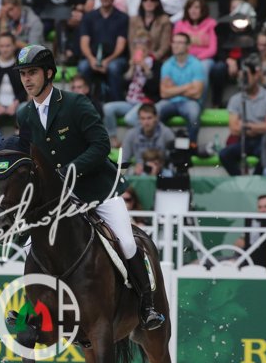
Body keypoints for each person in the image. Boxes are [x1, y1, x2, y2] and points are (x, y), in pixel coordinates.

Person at [14, 44, 164, 329]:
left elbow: (101, 145)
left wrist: (70, 170)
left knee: (127, 242)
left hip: (97, 191)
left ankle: (147, 306)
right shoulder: (24, 115)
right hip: (58, 200)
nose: (27, 79)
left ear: (48, 73)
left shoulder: (76, 104)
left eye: (32, 72)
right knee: (32, 247)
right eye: (23, 74)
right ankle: (30, 310)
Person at [219, 61, 266, 176]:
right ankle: (241, 180)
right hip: (243, 140)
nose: (243, 80)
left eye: (246, 75)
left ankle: (254, 180)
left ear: (256, 75)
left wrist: (247, 126)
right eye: (240, 76)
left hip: (263, 140)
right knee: (224, 155)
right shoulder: (236, 99)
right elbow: (234, 129)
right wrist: (259, 127)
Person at [101, 29, 158, 146]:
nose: (139, 47)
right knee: (107, 108)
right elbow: (123, 85)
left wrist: (146, 69)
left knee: (129, 119)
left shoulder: (155, 63)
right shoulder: (132, 62)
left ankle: (142, 141)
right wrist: (131, 69)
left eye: (143, 44)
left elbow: (154, 87)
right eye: (137, 44)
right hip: (131, 101)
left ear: (149, 47)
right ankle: (113, 139)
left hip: (145, 102)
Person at [78, 0, 129, 102]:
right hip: (92, 57)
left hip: (115, 58)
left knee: (114, 67)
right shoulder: (89, 17)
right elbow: (84, 42)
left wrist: (107, 61)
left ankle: (117, 103)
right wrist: (91, 59)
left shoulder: (122, 18)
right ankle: (83, 104)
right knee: (83, 67)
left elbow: (121, 45)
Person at [156, 33, 204, 146]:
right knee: (155, 112)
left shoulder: (196, 64)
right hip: (170, 101)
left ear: (188, 46)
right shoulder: (167, 65)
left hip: (190, 102)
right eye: (174, 42)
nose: (175, 45)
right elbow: (163, 93)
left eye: (179, 42)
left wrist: (173, 89)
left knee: (194, 114)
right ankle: (164, 144)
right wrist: (187, 86)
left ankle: (191, 145)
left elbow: (197, 93)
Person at [233, 194, 266, 270]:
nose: (263, 210)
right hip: (248, 261)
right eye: (260, 207)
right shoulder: (254, 222)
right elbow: (238, 244)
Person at [172, 0, 217, 79]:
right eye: (190, 7)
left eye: (197, 7)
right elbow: (175, 45)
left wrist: (196, 59)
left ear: (202, 10)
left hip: (204, 59)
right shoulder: (180, 24)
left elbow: (212, 49)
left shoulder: (211, 24)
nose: (193, 11)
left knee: (201, 68)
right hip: (183, 58)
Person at [121, 103, 175, 168]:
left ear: (156, 118)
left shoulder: (167, 133)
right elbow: (123, 160)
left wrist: (160, 167)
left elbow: (173, 160)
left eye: (149, 118)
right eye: (142, 118)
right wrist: (133, 169)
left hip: (162, 170)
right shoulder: (131, 134)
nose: (146, 122)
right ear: (139, 119)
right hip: (139, 171)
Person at [127, 0, 172, 64]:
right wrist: (135, 57)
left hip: (157, 59)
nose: (148, 2)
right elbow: (131, 42)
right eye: (145, 0)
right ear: (142, 2)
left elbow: (165, 45)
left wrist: (152, 57)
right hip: (137, 58)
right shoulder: (134, 20)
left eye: (152, 0)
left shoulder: (164, 20)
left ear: (157, 3)